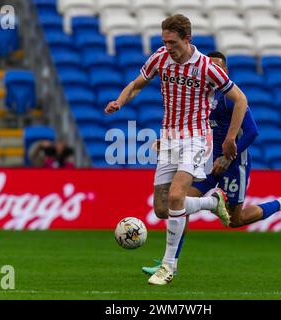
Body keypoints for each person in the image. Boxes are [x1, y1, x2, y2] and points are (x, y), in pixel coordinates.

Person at [105, 14, 248, 285]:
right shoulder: (160, 58)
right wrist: (120, 101)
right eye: (164, 41)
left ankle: (168, 266)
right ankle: (211, 202)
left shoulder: (207, 67)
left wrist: (230, 138)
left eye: (172, 42)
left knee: (175, 197)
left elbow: (240, 100)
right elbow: (137, 84)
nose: (168, 47)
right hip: (169, 138)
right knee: (162, 208)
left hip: (196, 139)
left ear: (187, 39)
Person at [141, 51, 281, 277]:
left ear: (224, 72)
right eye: (210, 66)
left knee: (235, 220)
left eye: (219, 68)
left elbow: (253, 132)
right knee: (180, 205)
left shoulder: (229, 98)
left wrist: (228, 157)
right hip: (206, 161)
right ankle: (170, 264)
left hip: (234, 164)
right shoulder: (198, 96)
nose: (213, 71)